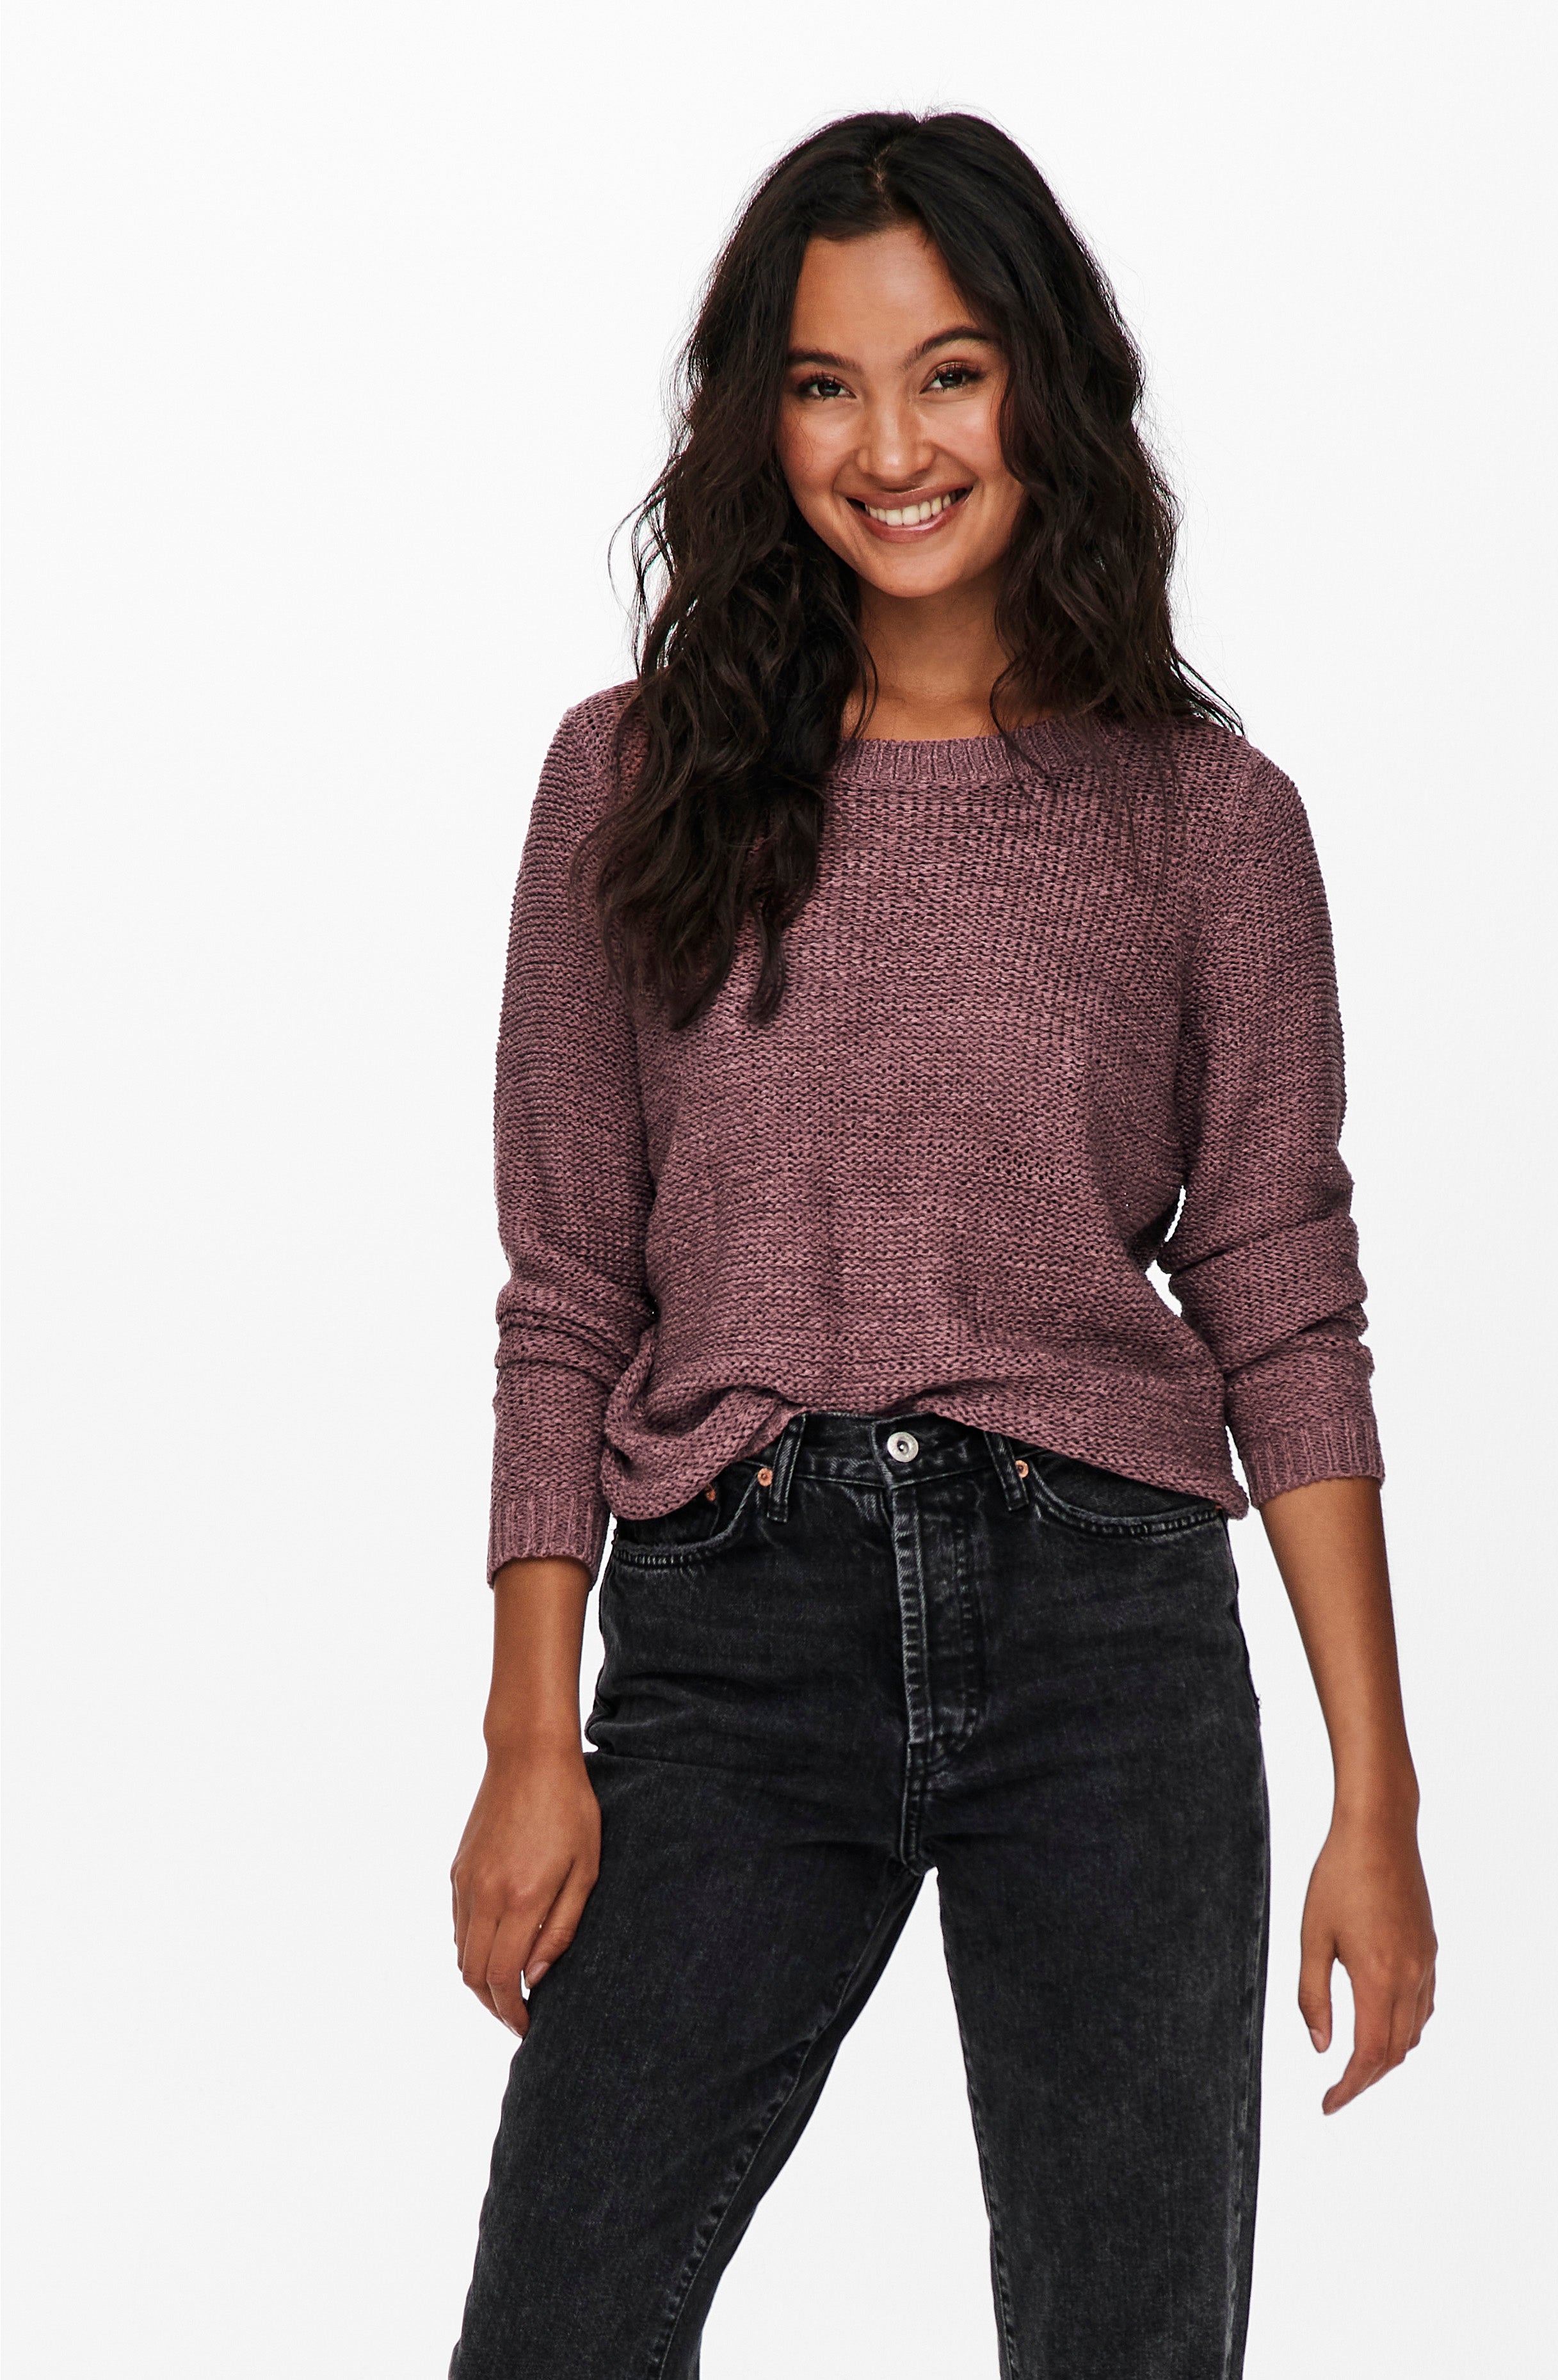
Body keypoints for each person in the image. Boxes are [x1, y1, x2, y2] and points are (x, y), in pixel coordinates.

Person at [447, 109, 1436, 2380]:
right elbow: (568, 1292)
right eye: (825, 385)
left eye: (950, 374)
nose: (890, 448)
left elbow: (1283, 1298)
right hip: (731, 1637)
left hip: (1107, 1641)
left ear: (1046, 387)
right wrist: (525, 1731)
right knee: (559, 2329)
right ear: (758, 415)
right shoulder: (626, 783)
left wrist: (1375, 1794)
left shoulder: (1208, 823)